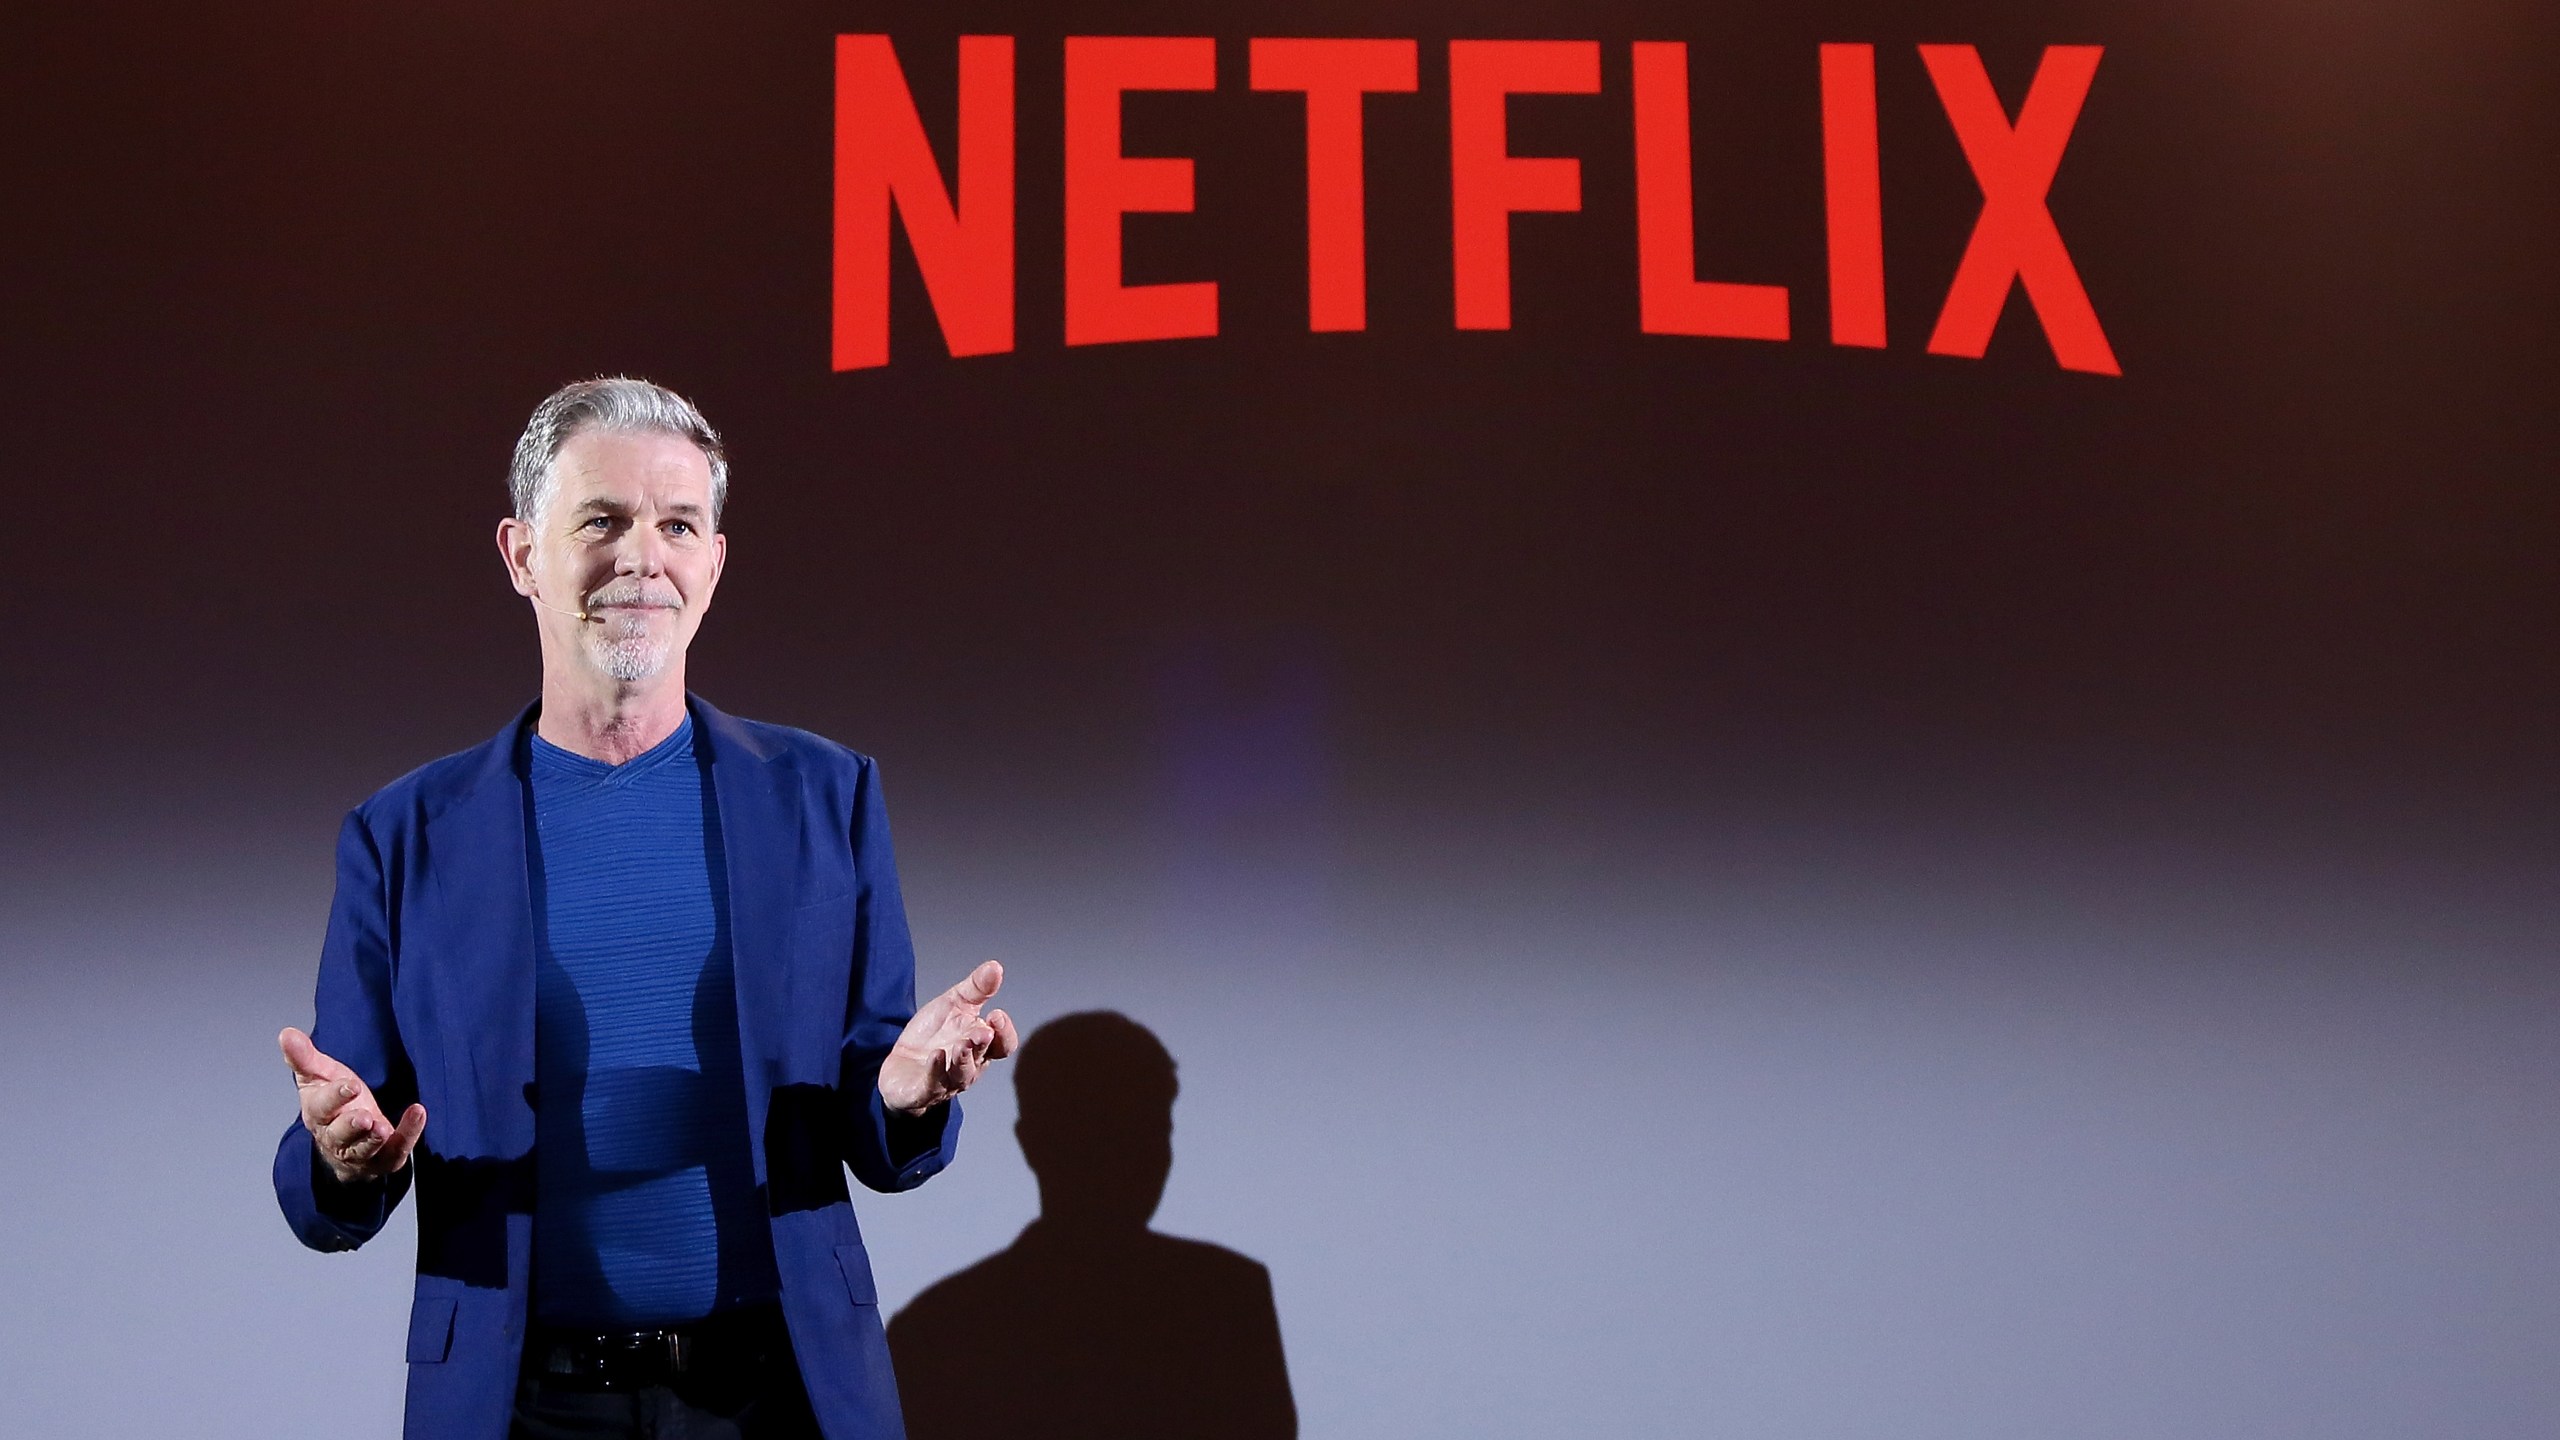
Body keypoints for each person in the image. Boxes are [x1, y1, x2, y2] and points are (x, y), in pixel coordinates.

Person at [271, 376, 1018, 1440]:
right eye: (602, 521)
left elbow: (871, 1116)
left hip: (779, 1396)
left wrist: (903, 1099)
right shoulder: (405, 836)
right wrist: (341, 1160)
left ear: (713, 564)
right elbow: (333, 1157)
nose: (642, 558)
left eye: (677, 525)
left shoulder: (825, 797)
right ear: (522, 553)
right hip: (519, 1404)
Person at [888, 1012, 1295, 1439]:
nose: (1134, 1160)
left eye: (1150, 1130)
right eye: (1106, 1133)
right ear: (1036, 1141)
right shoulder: (940, 1333)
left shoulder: (1229, 1301)